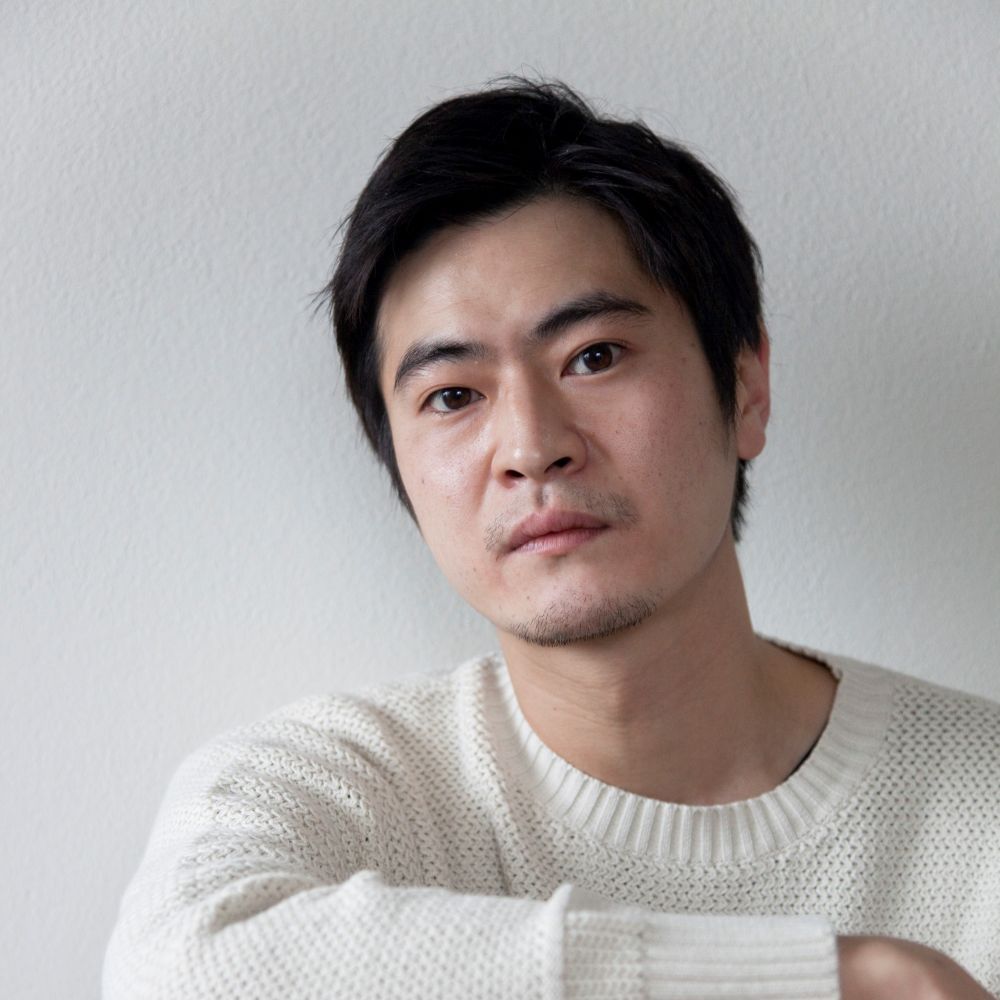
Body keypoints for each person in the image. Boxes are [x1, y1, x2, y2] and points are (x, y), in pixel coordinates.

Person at [103, 79, 1000, 999]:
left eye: (593, 357)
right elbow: (178, 969)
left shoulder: (983, 806)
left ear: (746, 388)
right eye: (453, 395)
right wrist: (830, 978)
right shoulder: (330, 792)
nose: (532, 447)